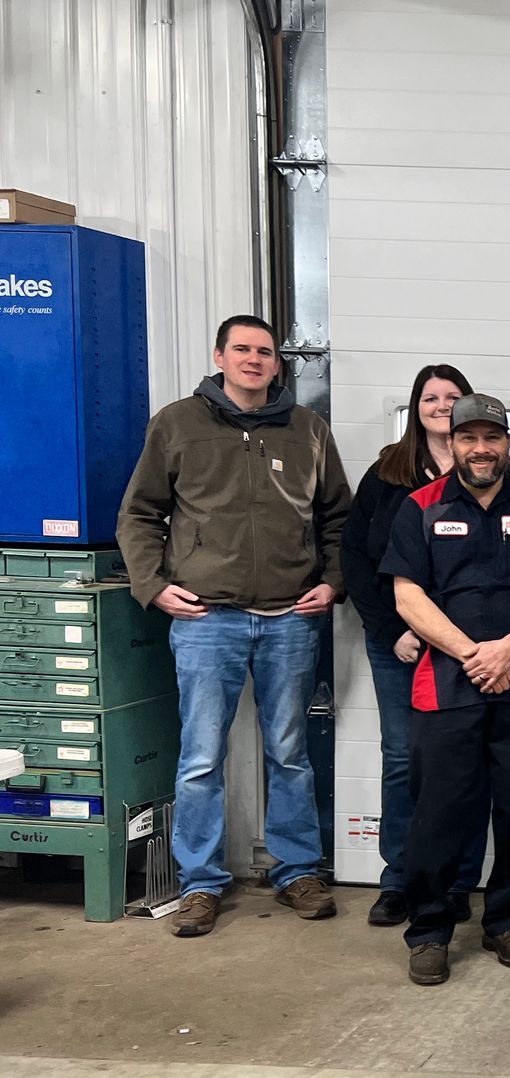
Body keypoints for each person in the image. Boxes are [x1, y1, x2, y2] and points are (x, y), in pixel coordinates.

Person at [117, 314, 353, 939]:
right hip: (206, 619)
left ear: (278, 363)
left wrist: (334, 582)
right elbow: (139, 514)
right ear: (219, 356)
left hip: (290, 618)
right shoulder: (177, 424)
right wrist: (152, 585)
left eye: (265, 351)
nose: (254, 359)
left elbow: (338, 517)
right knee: (200, 757)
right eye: (242, 349)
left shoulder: (308, 429)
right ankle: (200, 883)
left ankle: (297, 871)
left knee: (290, 753)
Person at [381, 394, 510, 985]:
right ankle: (430, 931)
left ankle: (506, 920)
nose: (481, 449)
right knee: (439, 812)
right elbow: (407, 595)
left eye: (491, 438)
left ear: (507, 443)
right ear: (453, 443)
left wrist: (508, 649)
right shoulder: (420, 507)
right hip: (447, 685)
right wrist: (475, 655)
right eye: (468, 438)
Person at [341, 364, 491, 927]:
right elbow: (356, 558)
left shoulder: (493, 471)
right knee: (404, 759)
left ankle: (458, 880)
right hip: (400, 644)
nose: (442, 406)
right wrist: (392, 630)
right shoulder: (387, 473)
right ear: (415, 407)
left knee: (468, 760)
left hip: (471, 648)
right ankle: (399, 880)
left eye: (453, 397)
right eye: (431, 398)